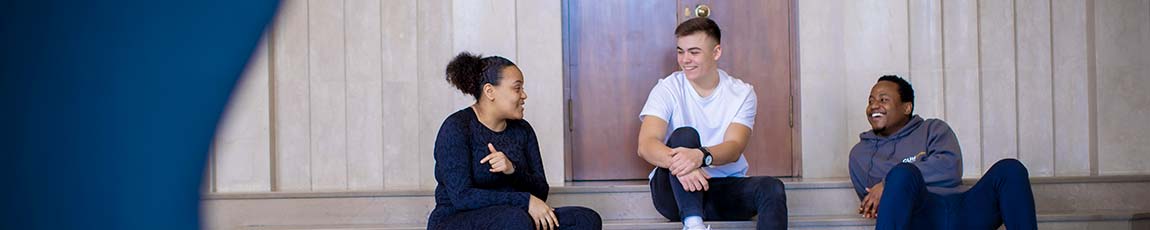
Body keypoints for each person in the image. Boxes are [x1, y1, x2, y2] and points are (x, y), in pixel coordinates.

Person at [636, 17, 788, 230]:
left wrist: (700, 156)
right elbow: (646, 144)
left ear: (716, 52)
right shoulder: (667, 88)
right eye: (680, 51)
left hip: (720, 190)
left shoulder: (742, 93)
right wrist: (683, 165)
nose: (685, 59)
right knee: (684, 135)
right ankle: (693, 224)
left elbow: (734, 147)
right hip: (673, 191)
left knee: (772, 187)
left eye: (694, 52)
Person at [429, 52, 602, 230]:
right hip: (455, 220)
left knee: (585, 219)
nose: (524, 95)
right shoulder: (457, 127)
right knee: (515, 220)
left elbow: (541, 191)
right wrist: (524, 201)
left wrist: (513, 170)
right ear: (490, 91)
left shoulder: (523, 130)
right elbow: (462, 197)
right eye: (517, 88)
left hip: (514, 217)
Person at [849, 75, 1038, 229]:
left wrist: (885, 183)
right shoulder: (860, 155)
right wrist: (895, 182)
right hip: (919, 217)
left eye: (883, 100)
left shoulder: (933, 128)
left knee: (1010, 169)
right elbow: (873, 205)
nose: (874, 105)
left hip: (963, 210)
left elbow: (949, 169)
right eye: (871, 100)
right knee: (902, 174)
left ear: (907, 107)